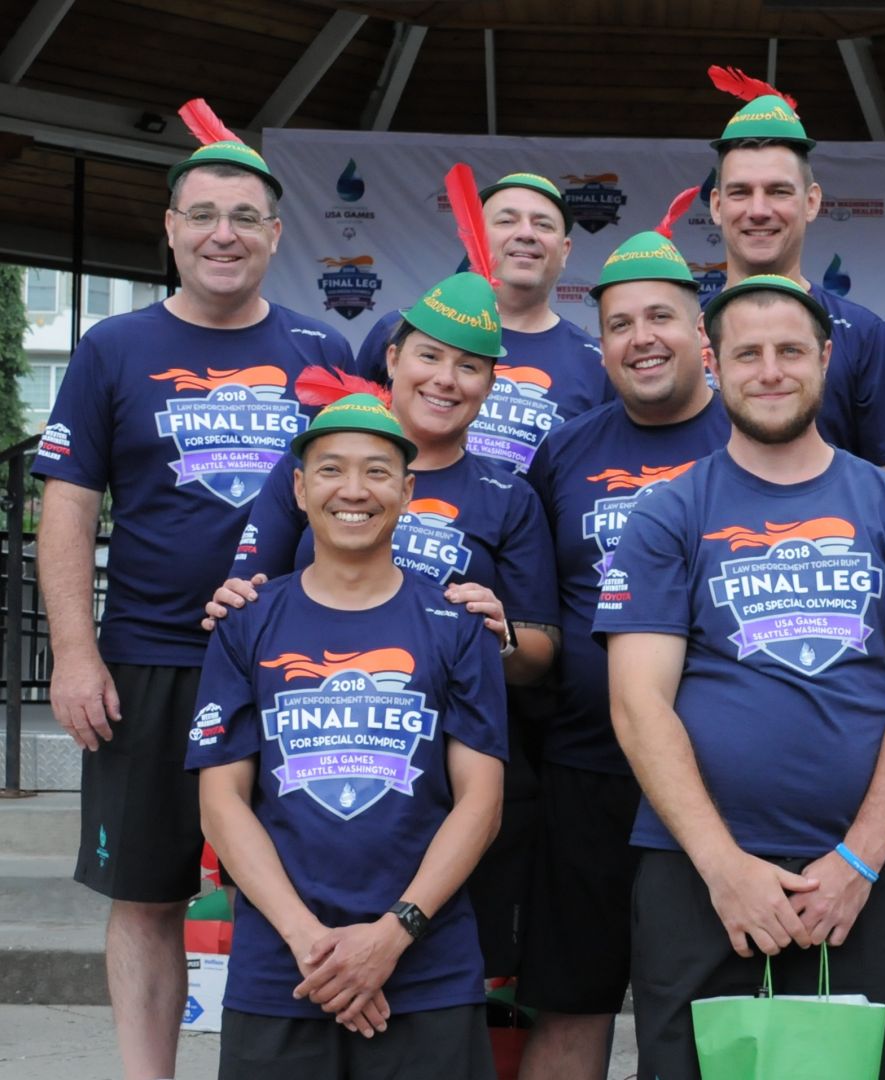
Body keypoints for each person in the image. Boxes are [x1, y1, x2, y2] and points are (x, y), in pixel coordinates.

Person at [32, 102, 352, 1079]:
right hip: (147, 659)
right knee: (147, 895)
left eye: (244, 216)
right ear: (170, 228)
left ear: (275, 234)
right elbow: (70, 508)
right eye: (203, 214)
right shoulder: (111, 349)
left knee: (304, 885)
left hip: (295, 664)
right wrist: (75, 652)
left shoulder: (321, 351)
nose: (223, 233)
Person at [594, 273, 885, 1080]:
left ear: (825, 361)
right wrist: (723, 869)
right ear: (713, 365)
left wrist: (859, 861)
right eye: (746, 353)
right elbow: (636, 702)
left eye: (790, 350)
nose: (769, 370)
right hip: (697, 877)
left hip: (863, 878)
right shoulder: (668, 512)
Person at [207, 269, 557, 978]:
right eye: (428, 355)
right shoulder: (310, 465)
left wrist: (505, 638)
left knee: (450, 982)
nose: (445, 379)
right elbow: (251, 595)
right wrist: (229, 606)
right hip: (312, 762)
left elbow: (541, 649)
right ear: (391, 359)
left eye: (468, 366)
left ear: (490, 385)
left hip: (442, 778)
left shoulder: (507, 496)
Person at [189, 394, 507, 1079]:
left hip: (427, 973)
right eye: (330, 470)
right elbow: (221, 803)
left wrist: (391, 937)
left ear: (407, 489)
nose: (354, 491)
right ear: (300, 489)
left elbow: (480, 804)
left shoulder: (455, 625)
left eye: (377, 471)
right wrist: (313, 945)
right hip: (283, 973)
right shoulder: (245, 624)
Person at [515, 196, 730, 1080]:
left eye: (659, 318)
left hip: (724, 778)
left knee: (711, 1020)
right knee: (572, 1009)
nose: (640, 339)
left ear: (700, 331)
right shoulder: (563, 453)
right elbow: (533, 621)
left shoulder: (758, 439)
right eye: (617, 325)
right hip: (587, 773)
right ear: (597, 346)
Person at [706, 66, 885, 482]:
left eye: (778, 191)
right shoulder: (684, 330)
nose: (758, 210)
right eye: (740, 192)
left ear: (812, 201)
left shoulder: (863, 334)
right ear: (716, 205)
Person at [353, 171, 611, 473]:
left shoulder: (595, 362)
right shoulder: (404, 328)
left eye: (543, 224)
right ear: (473, 234)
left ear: (564, 250)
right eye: (506, 221)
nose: (526, 234)